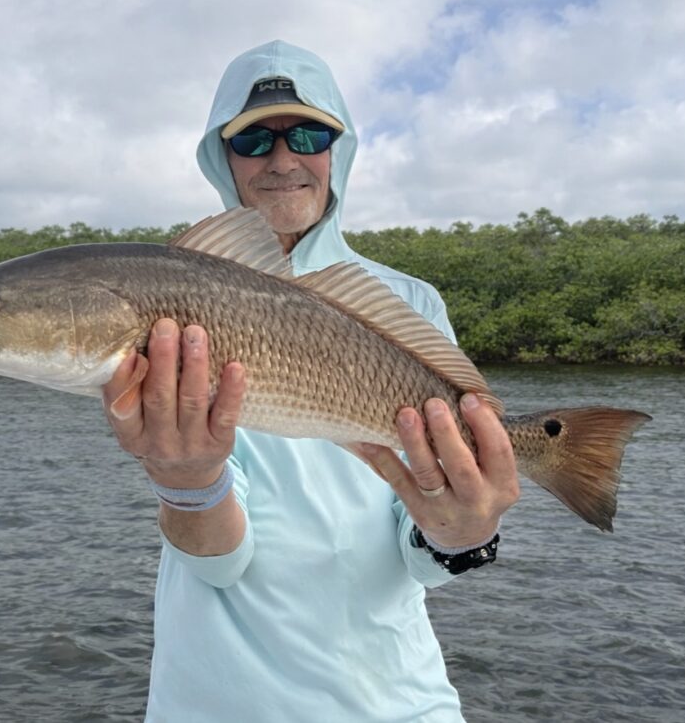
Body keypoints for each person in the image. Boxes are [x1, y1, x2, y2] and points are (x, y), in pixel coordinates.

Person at [100, 40, 520, 722]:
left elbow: (423, 557)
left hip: (400, 706)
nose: (283, 159)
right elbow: (219, 564)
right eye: (253, 140)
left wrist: (464, 532)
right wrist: (187, 480)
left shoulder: (410, 304)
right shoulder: (169, 302)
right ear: (221, 157)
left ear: (338, 149)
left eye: (307, 133)